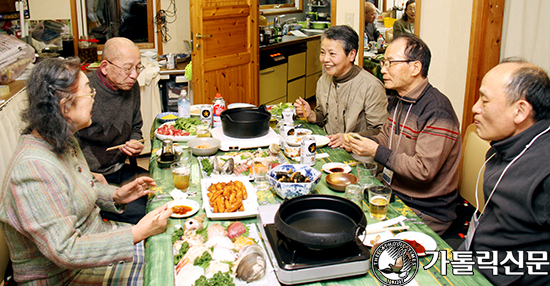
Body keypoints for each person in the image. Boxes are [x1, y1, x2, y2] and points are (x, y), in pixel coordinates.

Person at [0, 57, 172, 285]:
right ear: (65, 107)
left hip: (96, 237)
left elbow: (76, 189)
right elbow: (65, 250)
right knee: (166, 274)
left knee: (172, 245)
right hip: (63, 277)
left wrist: (115, 195)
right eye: (88, 93)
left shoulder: (63, 141)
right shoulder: (33, 168)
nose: (94, 98)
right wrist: (136, 233)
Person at [345, 34, 461, 235]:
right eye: (384, 62)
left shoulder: (437, 110)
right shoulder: (398, 99)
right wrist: (362, 142)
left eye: (390, 63)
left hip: (425, 209)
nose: (383, 69)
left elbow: (423, 170)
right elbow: (385, 138)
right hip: (393, 191)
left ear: (415, 68)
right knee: (344, 211)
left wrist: (376, 151)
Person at [458, 59, 550, 285]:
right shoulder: (506, 144)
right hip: (472, 260)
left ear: (520, 111)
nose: (475, 108)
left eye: (485, 101)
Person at [78, 37, 148, 224]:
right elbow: (67, 145)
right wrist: (87, 176)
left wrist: (135, 142)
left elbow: (135, 127)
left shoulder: (130, 87)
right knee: (144, 213)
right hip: (92, 178)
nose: (134, 75)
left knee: (160, 194)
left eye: (138, 67)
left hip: (119, 168)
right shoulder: (84, 91)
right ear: (104, 68)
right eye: (127, 68)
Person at [294, 25, 388, 148]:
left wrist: (348, 139)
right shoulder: (323, 81)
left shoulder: (371, 86)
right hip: (330, 147)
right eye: (322, 52)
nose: (325, 59)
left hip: (359, 155)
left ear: (351, 55)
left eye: (332, 54)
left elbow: (380, 132)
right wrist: (311, 114)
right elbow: (323, 115)